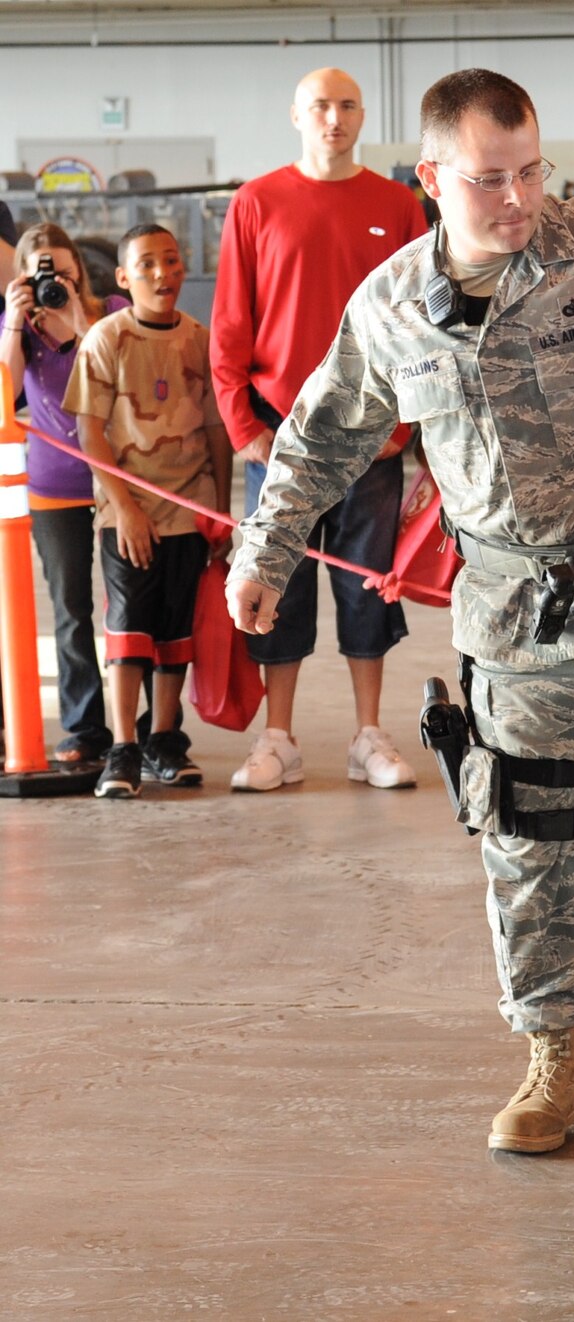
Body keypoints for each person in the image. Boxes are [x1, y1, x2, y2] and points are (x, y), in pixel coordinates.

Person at [226, 70, 574, 1189]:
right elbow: (320, 438)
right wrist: (263, 554)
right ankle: (553, 1058)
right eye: (488, 178)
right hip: (511, 613)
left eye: (530, 171)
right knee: (528, 837)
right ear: (431, 178)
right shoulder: (391, 306)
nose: (517, 198)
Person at [210, 67, 431, 793]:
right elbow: (231, 323)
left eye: (345, 106)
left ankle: (370, 735)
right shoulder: (255, 202)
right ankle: (280, 738)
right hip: (277, 436)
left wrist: (403, 426)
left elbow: (421, 320)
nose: (333, 118)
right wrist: (243, 425)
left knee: (370, 585)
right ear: (296, 115)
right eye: (319, 106)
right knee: (280, 581)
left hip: (373, 432)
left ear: (362, 115)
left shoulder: (398, 206)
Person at [67, 224, 231, 799]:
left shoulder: (200, 339)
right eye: (146, 265)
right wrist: (125, 508)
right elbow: (89, 432)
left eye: (171, 260)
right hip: (128, 511)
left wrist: (221, 513)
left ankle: (164, 739)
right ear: (122, 278)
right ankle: (123, 747)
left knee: (175, 628)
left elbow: (217, 431)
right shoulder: (105, 339)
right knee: (129, 627)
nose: (162, 274)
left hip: (190, 508)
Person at [3, 223, 129, 764]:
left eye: (65, 272)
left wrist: (79, 316)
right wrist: (13, 323)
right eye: (43, 275)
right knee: (71, 611)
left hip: (116, 480)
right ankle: (84, 729)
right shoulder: (21, 329)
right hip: (54, 487)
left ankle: (136, 729)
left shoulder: (114, 310)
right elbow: (6, 397)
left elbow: (113, 377)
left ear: (80, 270)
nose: (56, 282)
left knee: (128, 609)